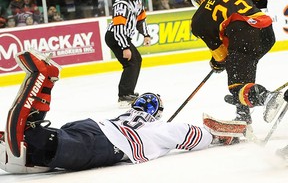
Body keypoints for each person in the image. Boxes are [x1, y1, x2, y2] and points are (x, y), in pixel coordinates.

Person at [0, 50, 243, 173]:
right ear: (155, 113)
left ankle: (32, 134)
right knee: (44, 140)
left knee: (49, 140)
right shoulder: (155, 127)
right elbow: (187, 134)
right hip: (106, 142)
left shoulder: (128, 117)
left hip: (93, 126)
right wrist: (215, 136)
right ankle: (38, 97)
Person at [190, 0, 280, 125]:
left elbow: (222, 56)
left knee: (237, 88)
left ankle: (267, 97)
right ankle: (243, 116)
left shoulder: (198, 20)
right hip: (266, 31)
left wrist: (216, 64)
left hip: (244, 36)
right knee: (242, 75)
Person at [105, 0, 151, 108]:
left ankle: (128, 92)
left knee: (137, 60)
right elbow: (119, 27)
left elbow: (141, 20)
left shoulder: (138, 0)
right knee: (130, 63)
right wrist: (125, 47)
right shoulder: (121, 4)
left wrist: (146, 34)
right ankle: (124, 96)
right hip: (115, 36)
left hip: (123, 36)